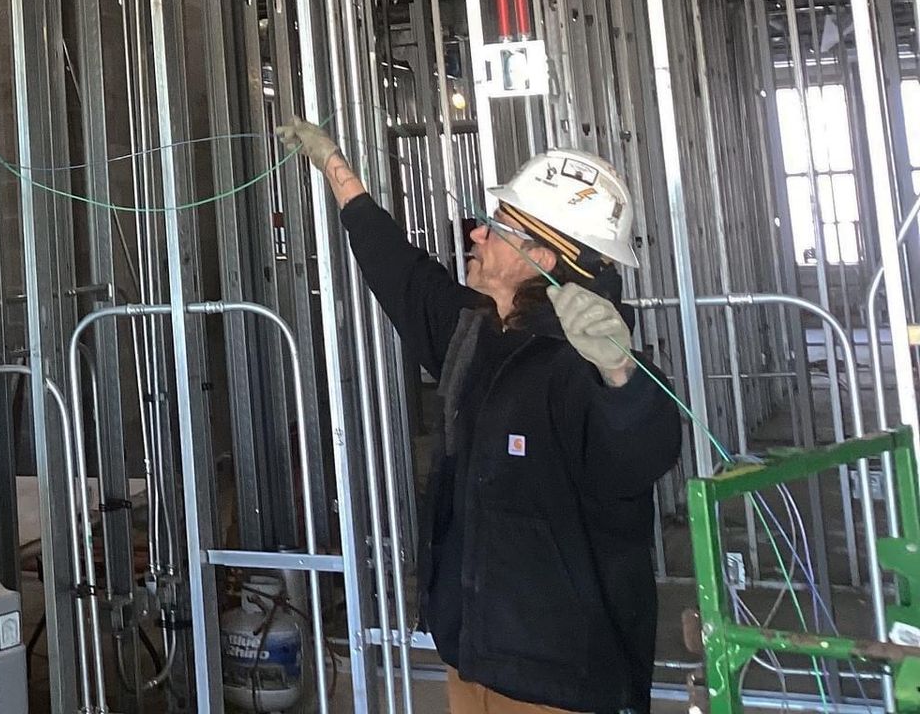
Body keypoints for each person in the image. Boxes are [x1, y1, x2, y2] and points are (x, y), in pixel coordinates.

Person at [276, 120, 682, 714]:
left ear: (541, 255)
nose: (475, 233)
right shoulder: (478, 333)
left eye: (496, 228)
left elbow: (641, 449)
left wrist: (620, 375)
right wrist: (335, 166)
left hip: (558, 680)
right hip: (473, 651)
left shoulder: (585, 365)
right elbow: (402, 274)